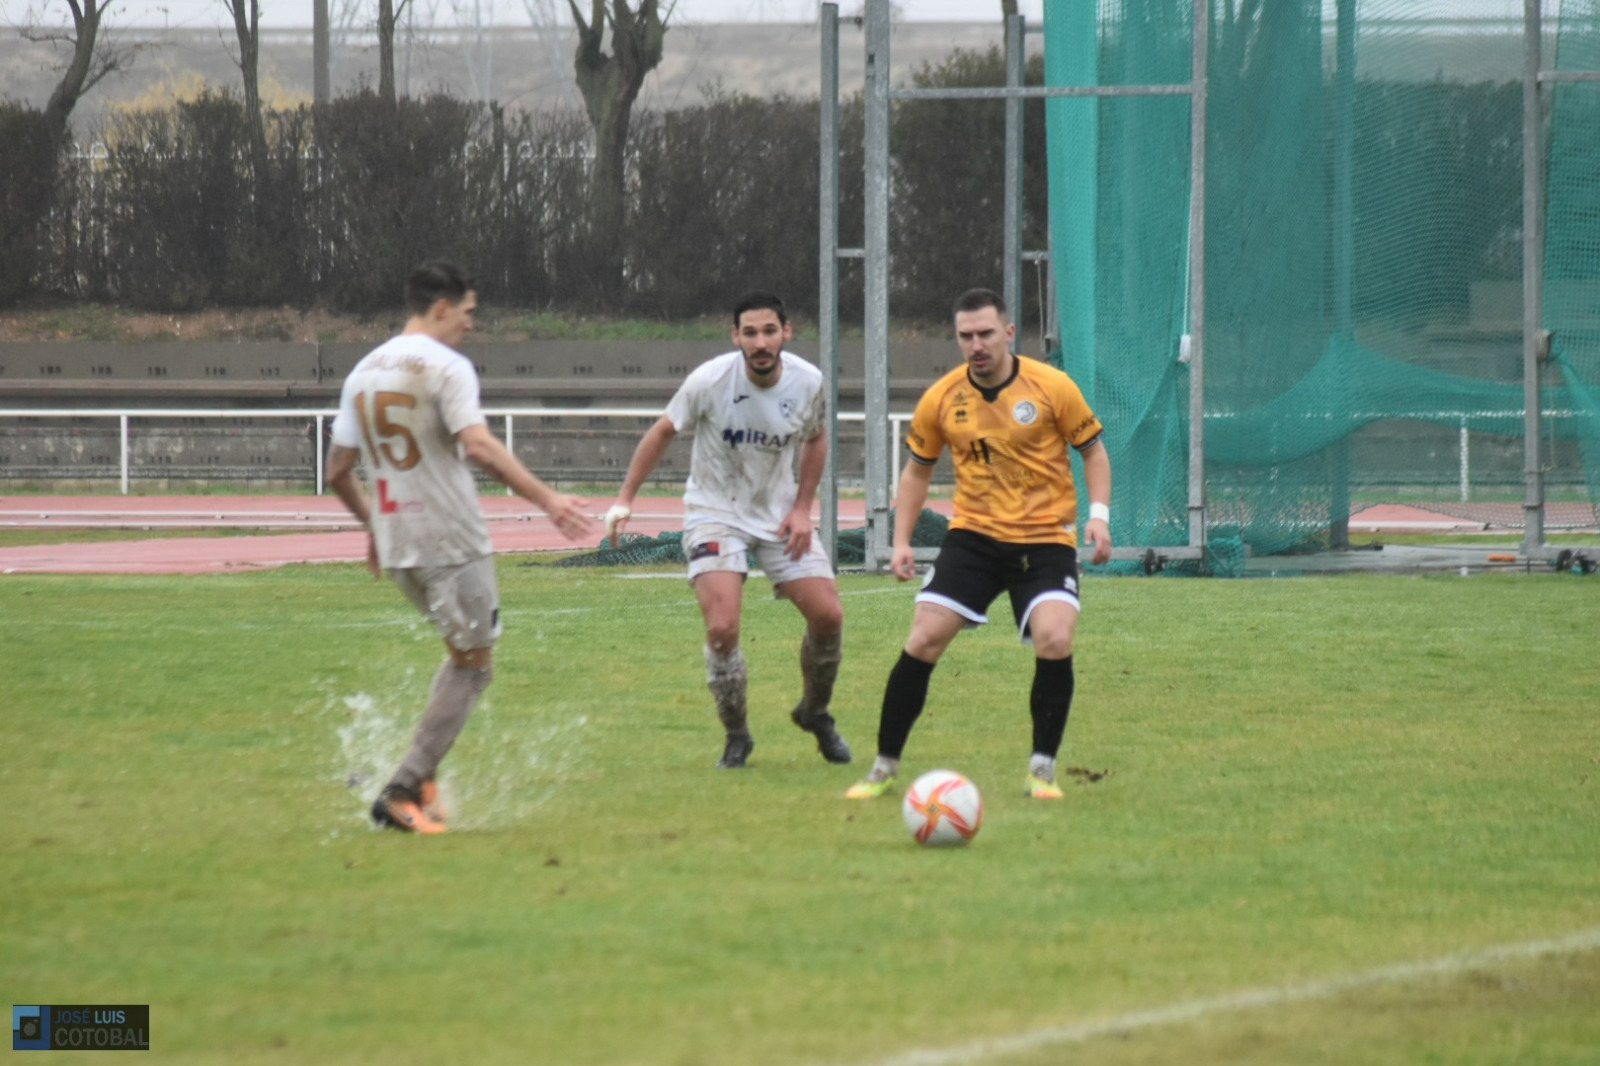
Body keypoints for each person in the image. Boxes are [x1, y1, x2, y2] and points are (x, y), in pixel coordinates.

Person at [326, 260, 595, 833]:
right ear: (442, 307)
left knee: (462, 655)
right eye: (469, 312)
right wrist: (548, 500)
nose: (473, 324)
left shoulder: (363, 370)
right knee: (475, 667)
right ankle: (402, 788)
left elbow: (338, 470)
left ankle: (421, 780)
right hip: (450, 539)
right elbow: (478, 446)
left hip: (400, 543)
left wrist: (374, 527)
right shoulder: (447, 367)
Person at [845, 287, 1112, 801]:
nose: (976, 345)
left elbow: (1094, 454)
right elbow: (917, 473)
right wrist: (901, 540)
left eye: (986, 333)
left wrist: (1098, 517)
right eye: (966, 336)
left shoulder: (1053, 387)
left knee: (1055, 637)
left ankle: (1042, 770)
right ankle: (881, 768)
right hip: (975, 538)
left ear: (1009, 333)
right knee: (923, 638)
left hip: (1044, 540)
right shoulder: (942, 398)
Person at [605, 291, 851, 770]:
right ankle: (737, 735)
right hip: (714, 512)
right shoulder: (710, 380)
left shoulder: (808, 382)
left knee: (829, 617)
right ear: (735, 335)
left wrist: (803, 507)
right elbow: (662, 432)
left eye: (770, 331)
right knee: (722, 627)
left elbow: (816, 437)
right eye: (750, 332)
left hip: (778, 515)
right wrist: (624, 500)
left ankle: (814, 712)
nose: (761, 342)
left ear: (786, 332)